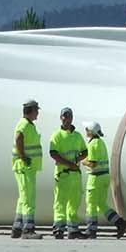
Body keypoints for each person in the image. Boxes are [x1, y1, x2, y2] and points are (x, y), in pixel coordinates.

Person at [81, 120, 126, 239]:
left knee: (91, 204)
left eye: (86, 129)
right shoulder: (100, 142)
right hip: (104, 177)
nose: (85, 131)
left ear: (91, 132)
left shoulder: (93, 144)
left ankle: (91, 229)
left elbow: (92, 163)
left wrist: (82, 161)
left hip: (95, 178)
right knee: (101, 204)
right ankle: (119, 223)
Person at [48, 107, 87, 240]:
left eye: (69, 116)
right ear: (61, 118)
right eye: (64, 116)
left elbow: (85, 151)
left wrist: (78, 159)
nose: (66, 118)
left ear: (72, 118)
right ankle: (58, 228)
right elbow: (53, 153)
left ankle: (73, 229)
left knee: (74, 202)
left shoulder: (77, 136)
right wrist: (68, 163)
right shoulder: (57, 135)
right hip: (63, 174)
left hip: (75, 175)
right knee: (60, 202)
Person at [11, 99, 43, 239]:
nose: (37, 114)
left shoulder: (29, 125)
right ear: (30, 111)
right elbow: (19, 138)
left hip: (27, 166)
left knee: (22, 197)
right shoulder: (24, 124)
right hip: (25, 166)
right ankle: (28, 229)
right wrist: (23, 156)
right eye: (36, 111)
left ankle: (17, 227)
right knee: (28, 198)